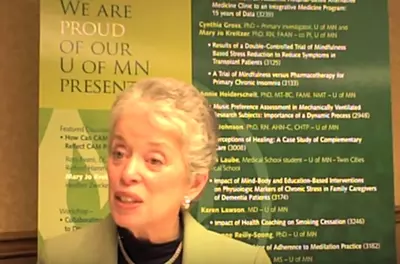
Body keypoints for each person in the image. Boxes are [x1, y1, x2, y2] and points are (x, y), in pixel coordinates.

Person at [38, 77, 272, 264]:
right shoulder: (59, 257)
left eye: (154, 160)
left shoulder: (245, 261)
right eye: (119, 153)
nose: (128, 173)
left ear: (194, 183)